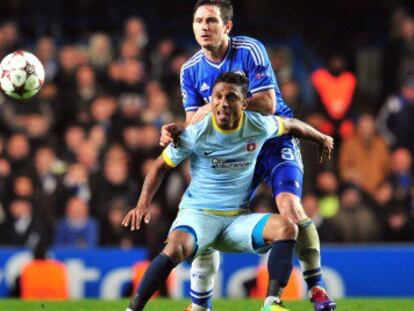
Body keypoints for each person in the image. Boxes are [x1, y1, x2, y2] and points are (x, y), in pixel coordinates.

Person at [159, 1, 336, 310]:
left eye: (211, 21)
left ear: (227, 26)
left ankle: (316, 287)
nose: (204, 27)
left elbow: (267, 104)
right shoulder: (189, 70)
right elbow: (194, 125)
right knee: (207, 215)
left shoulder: (249, 50)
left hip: (272, 138)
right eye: (199, 20)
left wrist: (209, 110)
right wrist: (176, 133)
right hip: (234, 150)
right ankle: (200, 303)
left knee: (290, 208)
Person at [123, 72, 333, 311]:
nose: (223, 102)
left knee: (287, 228)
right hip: (199, 215)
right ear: (211, 101)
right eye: (218, 96)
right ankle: (133, 309)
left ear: (244, 103)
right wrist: (142, 204)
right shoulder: (195, 134)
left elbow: (291, 125)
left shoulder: (257, 124)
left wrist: (321, 138)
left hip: (236, 220)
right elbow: (160, 165)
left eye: (231, 97)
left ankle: (272, 303)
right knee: (175, 246)